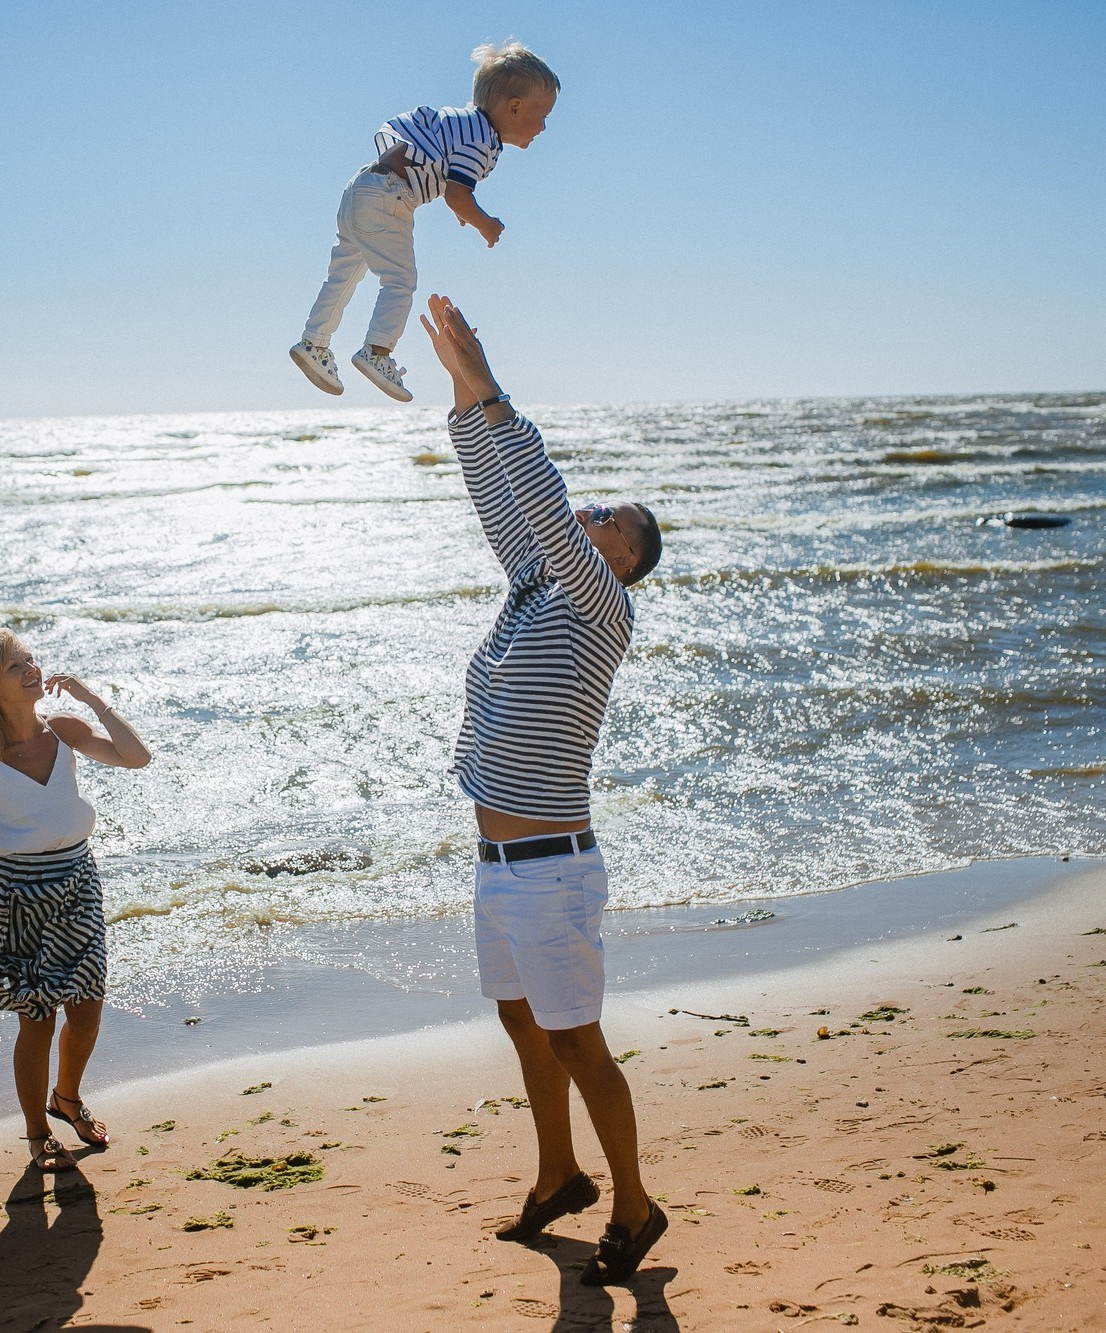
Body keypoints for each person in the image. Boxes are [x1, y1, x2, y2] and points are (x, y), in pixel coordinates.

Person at [417, 293, 670, 1286]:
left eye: (610, 518)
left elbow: (540, 487)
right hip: (497, 864)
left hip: (551, 872)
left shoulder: (601, 604)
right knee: (521, 1022)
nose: (591, 512)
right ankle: (559, 1174)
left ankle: (635, 1202)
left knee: (574, 1036)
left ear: (622, 559)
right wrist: (459, 388)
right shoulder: (534, 584)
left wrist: (494, 386)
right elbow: (498, 490)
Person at [0, 629, 151, 1173]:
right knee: (38, 1018)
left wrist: (93, 699)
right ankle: (36, 1133)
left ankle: (67, 1097)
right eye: (15, 666)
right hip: (18, 894)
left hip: (78, 880)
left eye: (31, 659)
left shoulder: (65, 731)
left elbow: (136, 756)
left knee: (87, 1010)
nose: (31, 669)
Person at [290, 41, 559, 403]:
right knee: (400, 280)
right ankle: (377, 351)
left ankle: (313, 343)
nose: (543, 127)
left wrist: (462, 211)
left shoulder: (462, 125)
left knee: (343, 275)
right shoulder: (483, 140)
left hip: (362, 187)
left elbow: (446, 180)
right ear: (513, 108)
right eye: (542, 116)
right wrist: (485, 223)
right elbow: (457, 194)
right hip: (390, 196)